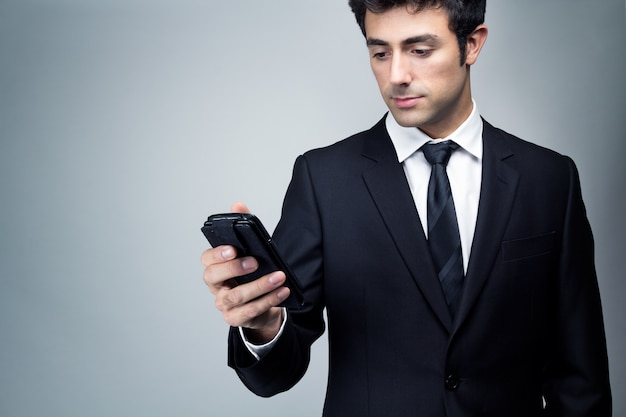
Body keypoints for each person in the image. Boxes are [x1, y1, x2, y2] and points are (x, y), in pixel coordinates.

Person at [201, 0, 612, 415]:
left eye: (420, 50)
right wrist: (263, 326)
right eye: (380, 53)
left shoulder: (550, 179)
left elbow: (579, 376)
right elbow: (275, 374)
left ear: (472, 44)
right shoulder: (324, 179)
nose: (396, 76)